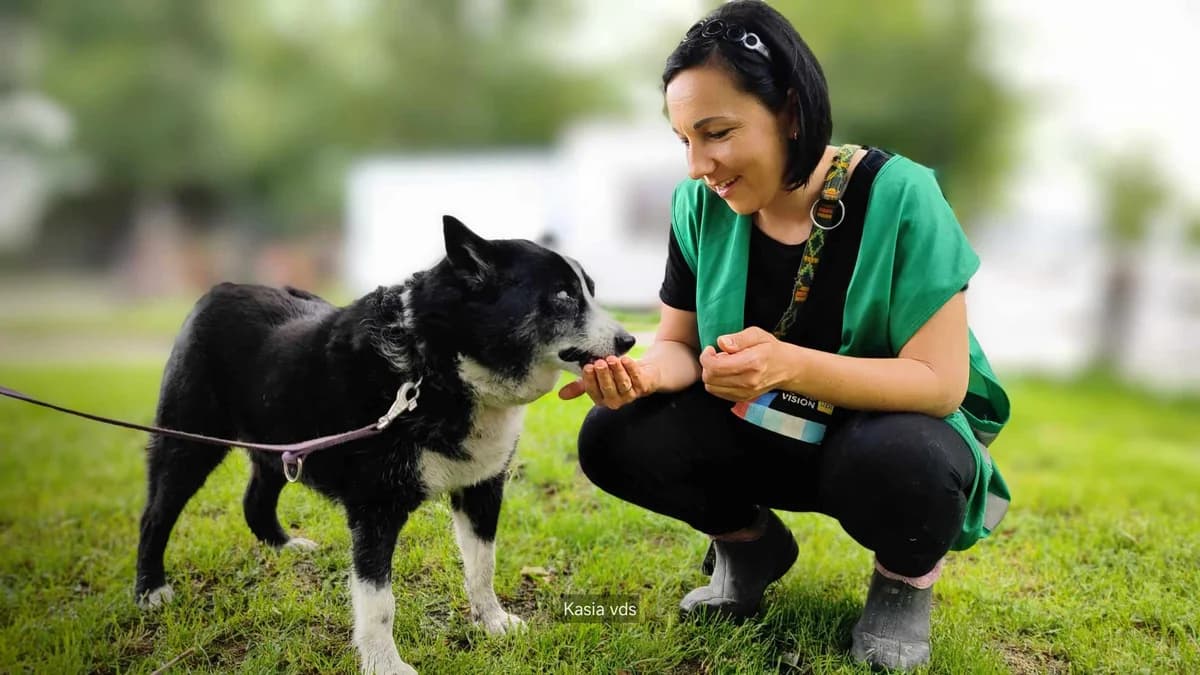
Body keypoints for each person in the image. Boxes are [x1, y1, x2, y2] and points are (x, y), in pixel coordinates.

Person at [556, 0, 1012, 670]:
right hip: (765, 427)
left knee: (907, 461)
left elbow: (938, 383)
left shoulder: (904, 197)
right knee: (613, 435)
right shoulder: (698, 206)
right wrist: (647, 374)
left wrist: (787, 365)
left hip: (878, 438)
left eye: (716, 133)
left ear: (791, 112)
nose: (697, 164)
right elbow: (679, 342)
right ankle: (749, 547)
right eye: (685, 140)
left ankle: (902, 584)